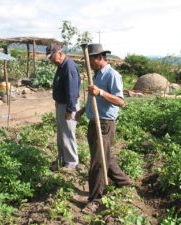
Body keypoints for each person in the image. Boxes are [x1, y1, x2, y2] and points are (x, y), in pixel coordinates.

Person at [76, 43, 131, 213]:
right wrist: (83, 110)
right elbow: (95, 100)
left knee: (98, 163)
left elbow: (121, 102)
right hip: (94, 122)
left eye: (91, 61)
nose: (89, 65)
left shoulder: (112, 75)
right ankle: (123, 181)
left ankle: (95, 199)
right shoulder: (97, 74)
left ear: (100, 58)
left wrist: (100, 92)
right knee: (104, 156)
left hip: (105, 124)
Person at [46, 42, 81, 170]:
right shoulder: (61, 65)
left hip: (68, 105)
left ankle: (71, 163)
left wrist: (70, 109)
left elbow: (72, 91)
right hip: (62, 104)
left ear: (60, 54)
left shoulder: (69, 67)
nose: (51, 60)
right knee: (61, 134)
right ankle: (62, 160)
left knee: (67, 134)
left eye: (51, 57)